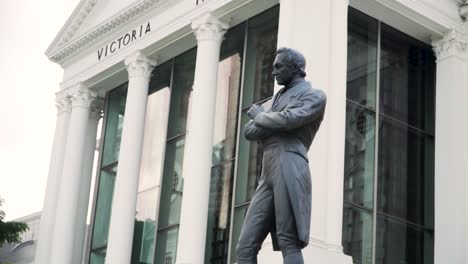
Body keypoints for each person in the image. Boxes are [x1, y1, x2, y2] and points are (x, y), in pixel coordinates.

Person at [236, 47, 327, 264]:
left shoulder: (314, 96)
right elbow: (250, 131)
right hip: (267, 171)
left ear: (295, 68)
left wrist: (262, 116)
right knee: (245, 246)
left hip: (289, 162)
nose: (273, 72)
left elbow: (288, 120)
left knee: (289, 240)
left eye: (279, 66)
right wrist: (271, 120)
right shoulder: (275, 100)